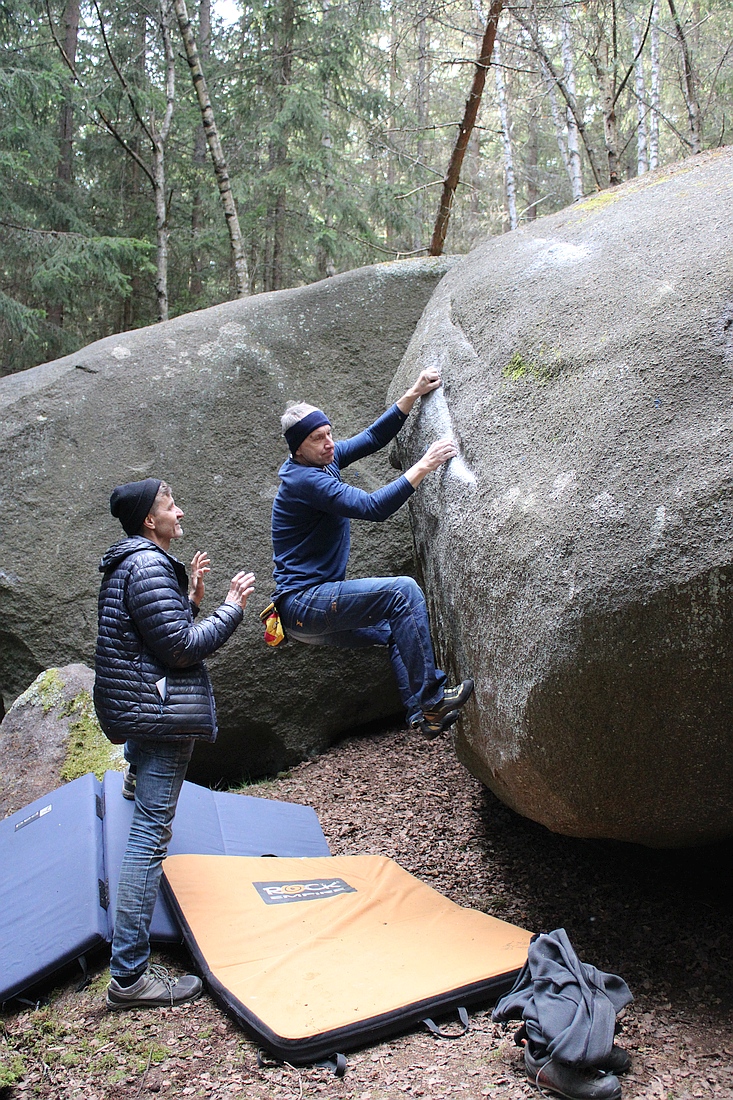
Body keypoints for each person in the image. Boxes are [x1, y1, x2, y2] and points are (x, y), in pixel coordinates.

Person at [94, 477, 255, 1010]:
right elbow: (182, 650)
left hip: (144, 715)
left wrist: (186, 600)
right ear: (148, 519)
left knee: (144, 804)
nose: (178, 510)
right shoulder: (146, 566)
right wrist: (230, 609)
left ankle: (134, 777)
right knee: (148, 840)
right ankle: (129, 978)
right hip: (161, 720)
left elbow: (151, 641)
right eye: (169, 504)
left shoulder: (134, 565)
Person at [271, 367, 473, 738]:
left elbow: (371, 438)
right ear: (298, 447)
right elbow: (373, 508)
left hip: (304, 614)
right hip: (305, 605)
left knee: (399, 627)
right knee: (403, 592)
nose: (330, 443)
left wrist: (412, 394)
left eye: (330, 433)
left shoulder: (320, 460)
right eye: (319, 438)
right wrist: (425, 465)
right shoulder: (306, 481)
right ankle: (432, 699)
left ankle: (422, 714)